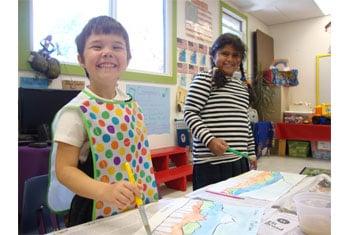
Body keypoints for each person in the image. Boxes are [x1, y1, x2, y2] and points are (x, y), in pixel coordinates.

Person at [47, 16, 158, 227]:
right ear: (81, 58)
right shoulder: (75, 112)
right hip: (94, 212)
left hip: (136, 206)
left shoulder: (133, 105)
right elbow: (64, 170)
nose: (107, 52)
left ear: (128, 57)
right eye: (97, 46)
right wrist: (106, 191)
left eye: (117, 46)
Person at [184, 33, 257, 191]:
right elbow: (189, 113)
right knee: (209, 209)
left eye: (236, 55)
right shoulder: (204, 79)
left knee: (237, 206)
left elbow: (245, 123)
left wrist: (251, 152)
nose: (230, 59)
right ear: (213, 55)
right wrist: (210, 140)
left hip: (239, 161)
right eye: (225, 53)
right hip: (211, 165)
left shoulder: (242, 87)